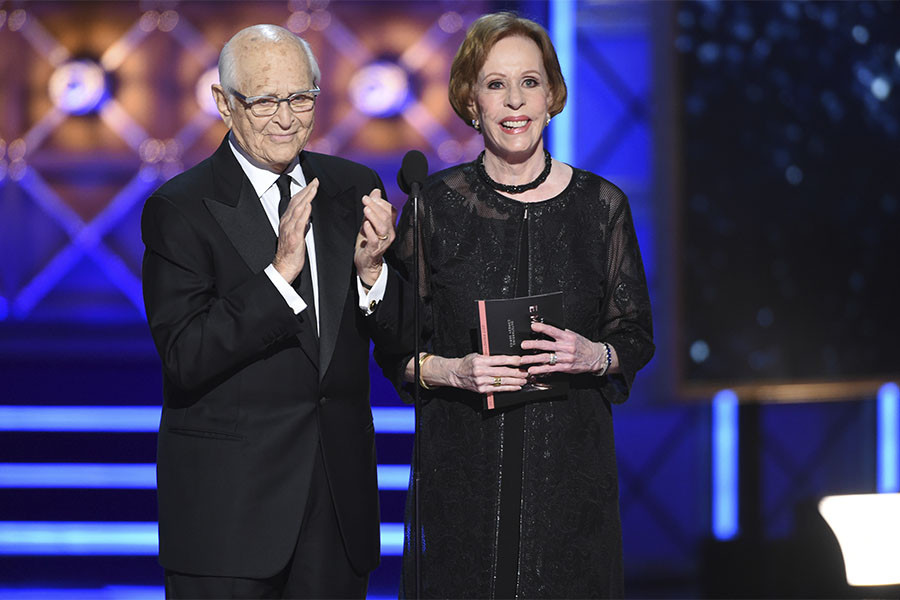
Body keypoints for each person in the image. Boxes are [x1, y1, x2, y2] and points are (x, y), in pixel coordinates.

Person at [385, 12, 654, 599]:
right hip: (464, 485)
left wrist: (594, 355)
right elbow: (394, 351)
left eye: (530, 82)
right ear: (470, 100)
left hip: (570, 488)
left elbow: (635, 337)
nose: (515, 101)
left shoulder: (602, 207)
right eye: (495, 83)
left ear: (553, 96)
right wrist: (454, 370)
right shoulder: (433, 206)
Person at [141, 24, 411, 599]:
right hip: (229, 521)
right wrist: (278, 277)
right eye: (265, 100)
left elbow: (399, 343)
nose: (286, 117)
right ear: (224, 103)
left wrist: (373, 275)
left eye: (301, 98)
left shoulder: (352, 187)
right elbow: (185, 357)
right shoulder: (180, 209)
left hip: (338, 514)